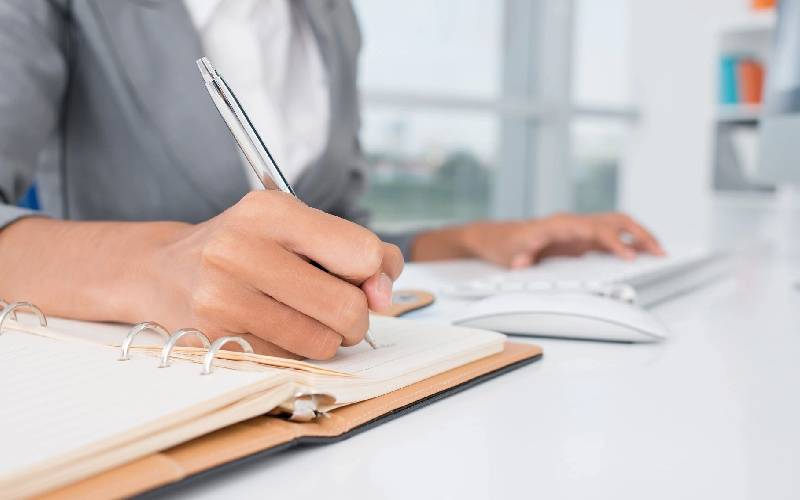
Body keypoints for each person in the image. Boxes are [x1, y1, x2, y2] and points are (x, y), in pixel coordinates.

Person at [0, 1, 663, 359]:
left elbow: (332, 226)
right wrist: (158, 268)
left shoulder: (331, 18)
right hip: (146, 375)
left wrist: (473, 238)